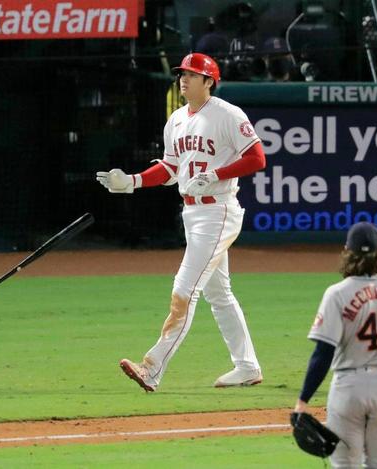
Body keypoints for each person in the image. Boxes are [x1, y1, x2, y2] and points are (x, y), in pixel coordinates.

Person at [96, 53, 266, 392]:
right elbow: (170, 168)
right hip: (192, 211)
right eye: (181, 74)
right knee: (220, 293)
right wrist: (131, 181)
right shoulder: (175, 119)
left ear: (209, 81)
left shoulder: (228, 115)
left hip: (218, 211)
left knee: (184, 290)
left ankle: (152, 367)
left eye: (191, 74)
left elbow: (257, 157)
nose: (183, 80)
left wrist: (217, 173)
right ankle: (247, 367)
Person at [294, 222, 377, 468]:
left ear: (347, 251)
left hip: (349, 388)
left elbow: (323, 353)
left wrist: (303, 399)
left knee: (346, 465)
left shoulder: (337, 293)